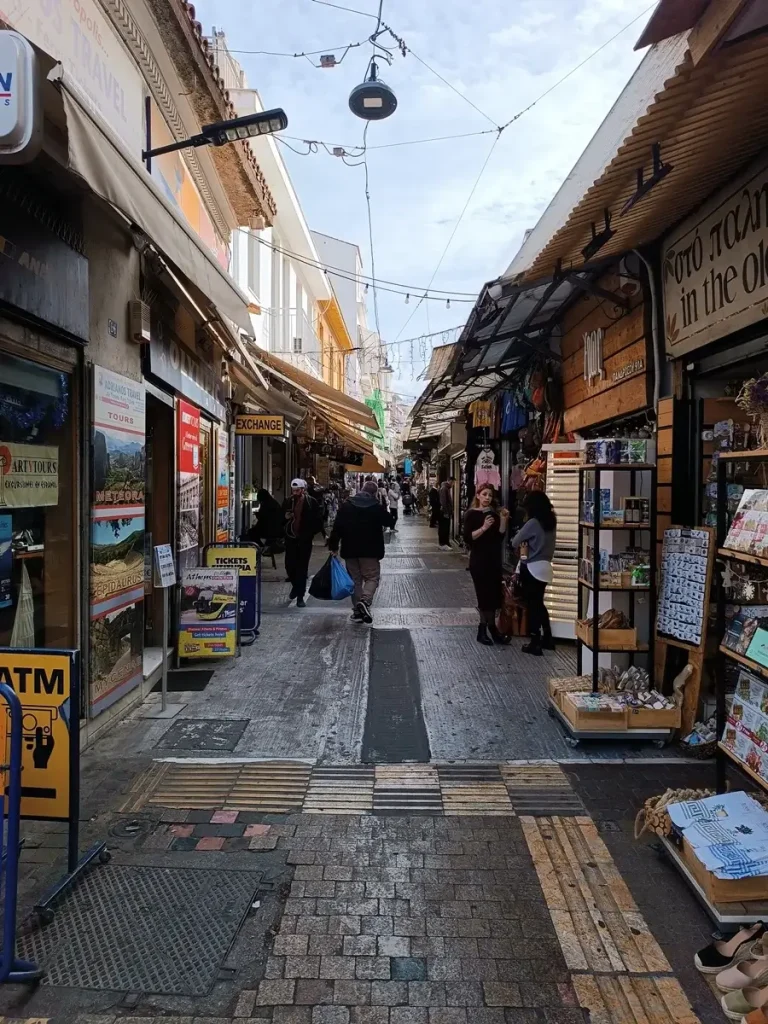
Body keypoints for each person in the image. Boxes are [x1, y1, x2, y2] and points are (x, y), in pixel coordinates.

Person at [329, 479, 390, 623]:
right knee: (372, 578)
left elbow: (337, 527)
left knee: (355, 581)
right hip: (370, 551)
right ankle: (365, 600)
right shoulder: (376, 507)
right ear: (374, 493)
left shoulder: (347, 506)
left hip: (350, 550)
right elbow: (389, 521)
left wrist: (333, 546)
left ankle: (357, 611)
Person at [463, 483, 510, 646]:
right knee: (484, 597)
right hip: (479, 561)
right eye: (484, 494)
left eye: (490, 495)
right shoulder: (471, 514)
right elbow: (468, 538)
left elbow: (499, 538)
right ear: (478, 495)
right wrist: (484, 527)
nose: (487, 498)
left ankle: (491, 629)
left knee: (494, 597)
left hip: (493, 560)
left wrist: (503, 520)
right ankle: (484, 630)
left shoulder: (493, 514)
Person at [510, 490, 557, 656]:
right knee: (539, 603)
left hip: (531, 567)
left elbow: (515, 542)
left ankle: (535, 642)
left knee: (532, 605)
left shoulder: (533, 523)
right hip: (546, 567)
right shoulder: (551, 521)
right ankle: (548, 638)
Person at [282, 479, 323, 608]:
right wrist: (285, 518)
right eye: (293, 490)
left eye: (297, 490)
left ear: (303, 490)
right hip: (291, 539)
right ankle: (295, 587)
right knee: (289, 565)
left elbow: (318, 520)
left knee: (302, 568)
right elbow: (280, 518)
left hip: (304, 540)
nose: (295, 493)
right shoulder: (288, 501)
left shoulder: (311, 502)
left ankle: (300, 595)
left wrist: (310, 533)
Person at [438, 478, 452, 550]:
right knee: (444, 528)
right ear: (449, 481)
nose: (453, 484)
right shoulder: (444, 489)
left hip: (445, 511)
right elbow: (443, 501)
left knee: (445, 527)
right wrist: (446, 512)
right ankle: (443, 544)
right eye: (453, 483)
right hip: (444, 512)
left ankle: (445, 543)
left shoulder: (446, 488)